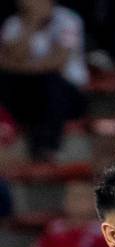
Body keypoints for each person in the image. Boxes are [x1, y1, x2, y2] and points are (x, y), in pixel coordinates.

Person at [0, 0, 88, 160]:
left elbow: (59, 61)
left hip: (68, 94)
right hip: (28, 93)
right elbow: (9, 59)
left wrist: (20, 68)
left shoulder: (68, 20)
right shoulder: (13, 24)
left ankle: (48, 148)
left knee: (50, 82)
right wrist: (33, 23)